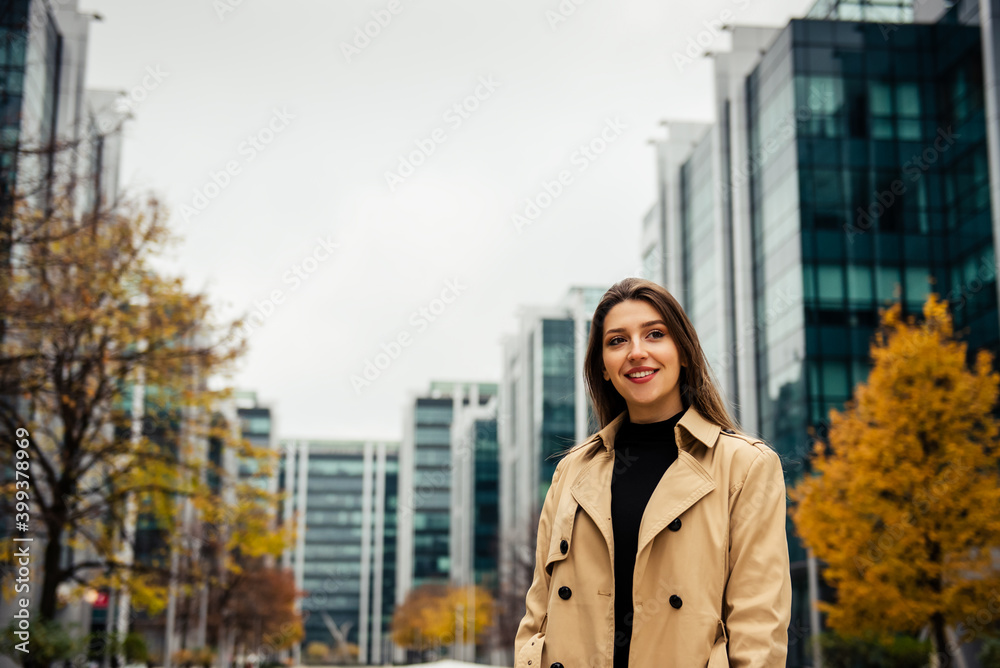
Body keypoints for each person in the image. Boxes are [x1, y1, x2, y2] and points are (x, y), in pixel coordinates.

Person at [513, 277, 792, 668]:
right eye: (617, 340)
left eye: (655, 334)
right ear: (604, 368)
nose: (636, 352)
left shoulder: (745, 466)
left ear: (684, 353)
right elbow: (538, 613)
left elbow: (758, 626)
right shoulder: (571, 472)